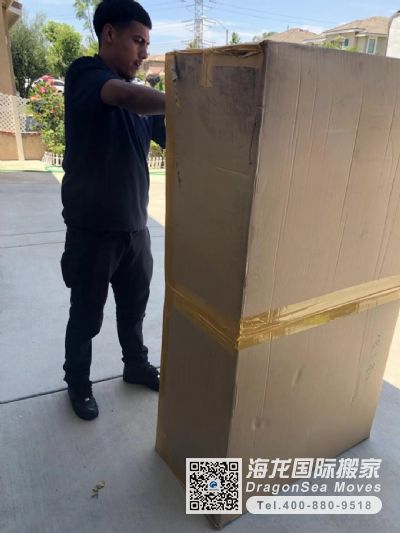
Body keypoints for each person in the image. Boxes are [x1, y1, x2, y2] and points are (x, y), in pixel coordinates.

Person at [60, 0, 165, 421]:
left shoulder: (141, 104)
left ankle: (135, 365)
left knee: (134, 308)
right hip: (92, 231)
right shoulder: (87, 75)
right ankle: (77, 382)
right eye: (138, 41)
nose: (143, 52)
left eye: (147, 44)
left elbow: (178, 133)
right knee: (86, 315)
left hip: (135, 229)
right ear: (109, 34)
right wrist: (187, 97)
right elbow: (128, 97)